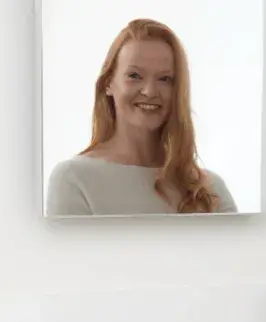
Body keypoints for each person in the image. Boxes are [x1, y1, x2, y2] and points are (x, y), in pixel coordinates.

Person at [46, 18, 238, 216]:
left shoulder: (210, 190)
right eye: (135, 76)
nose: (149, 91)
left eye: (165, 79)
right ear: (108, 83)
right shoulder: (74, 179)